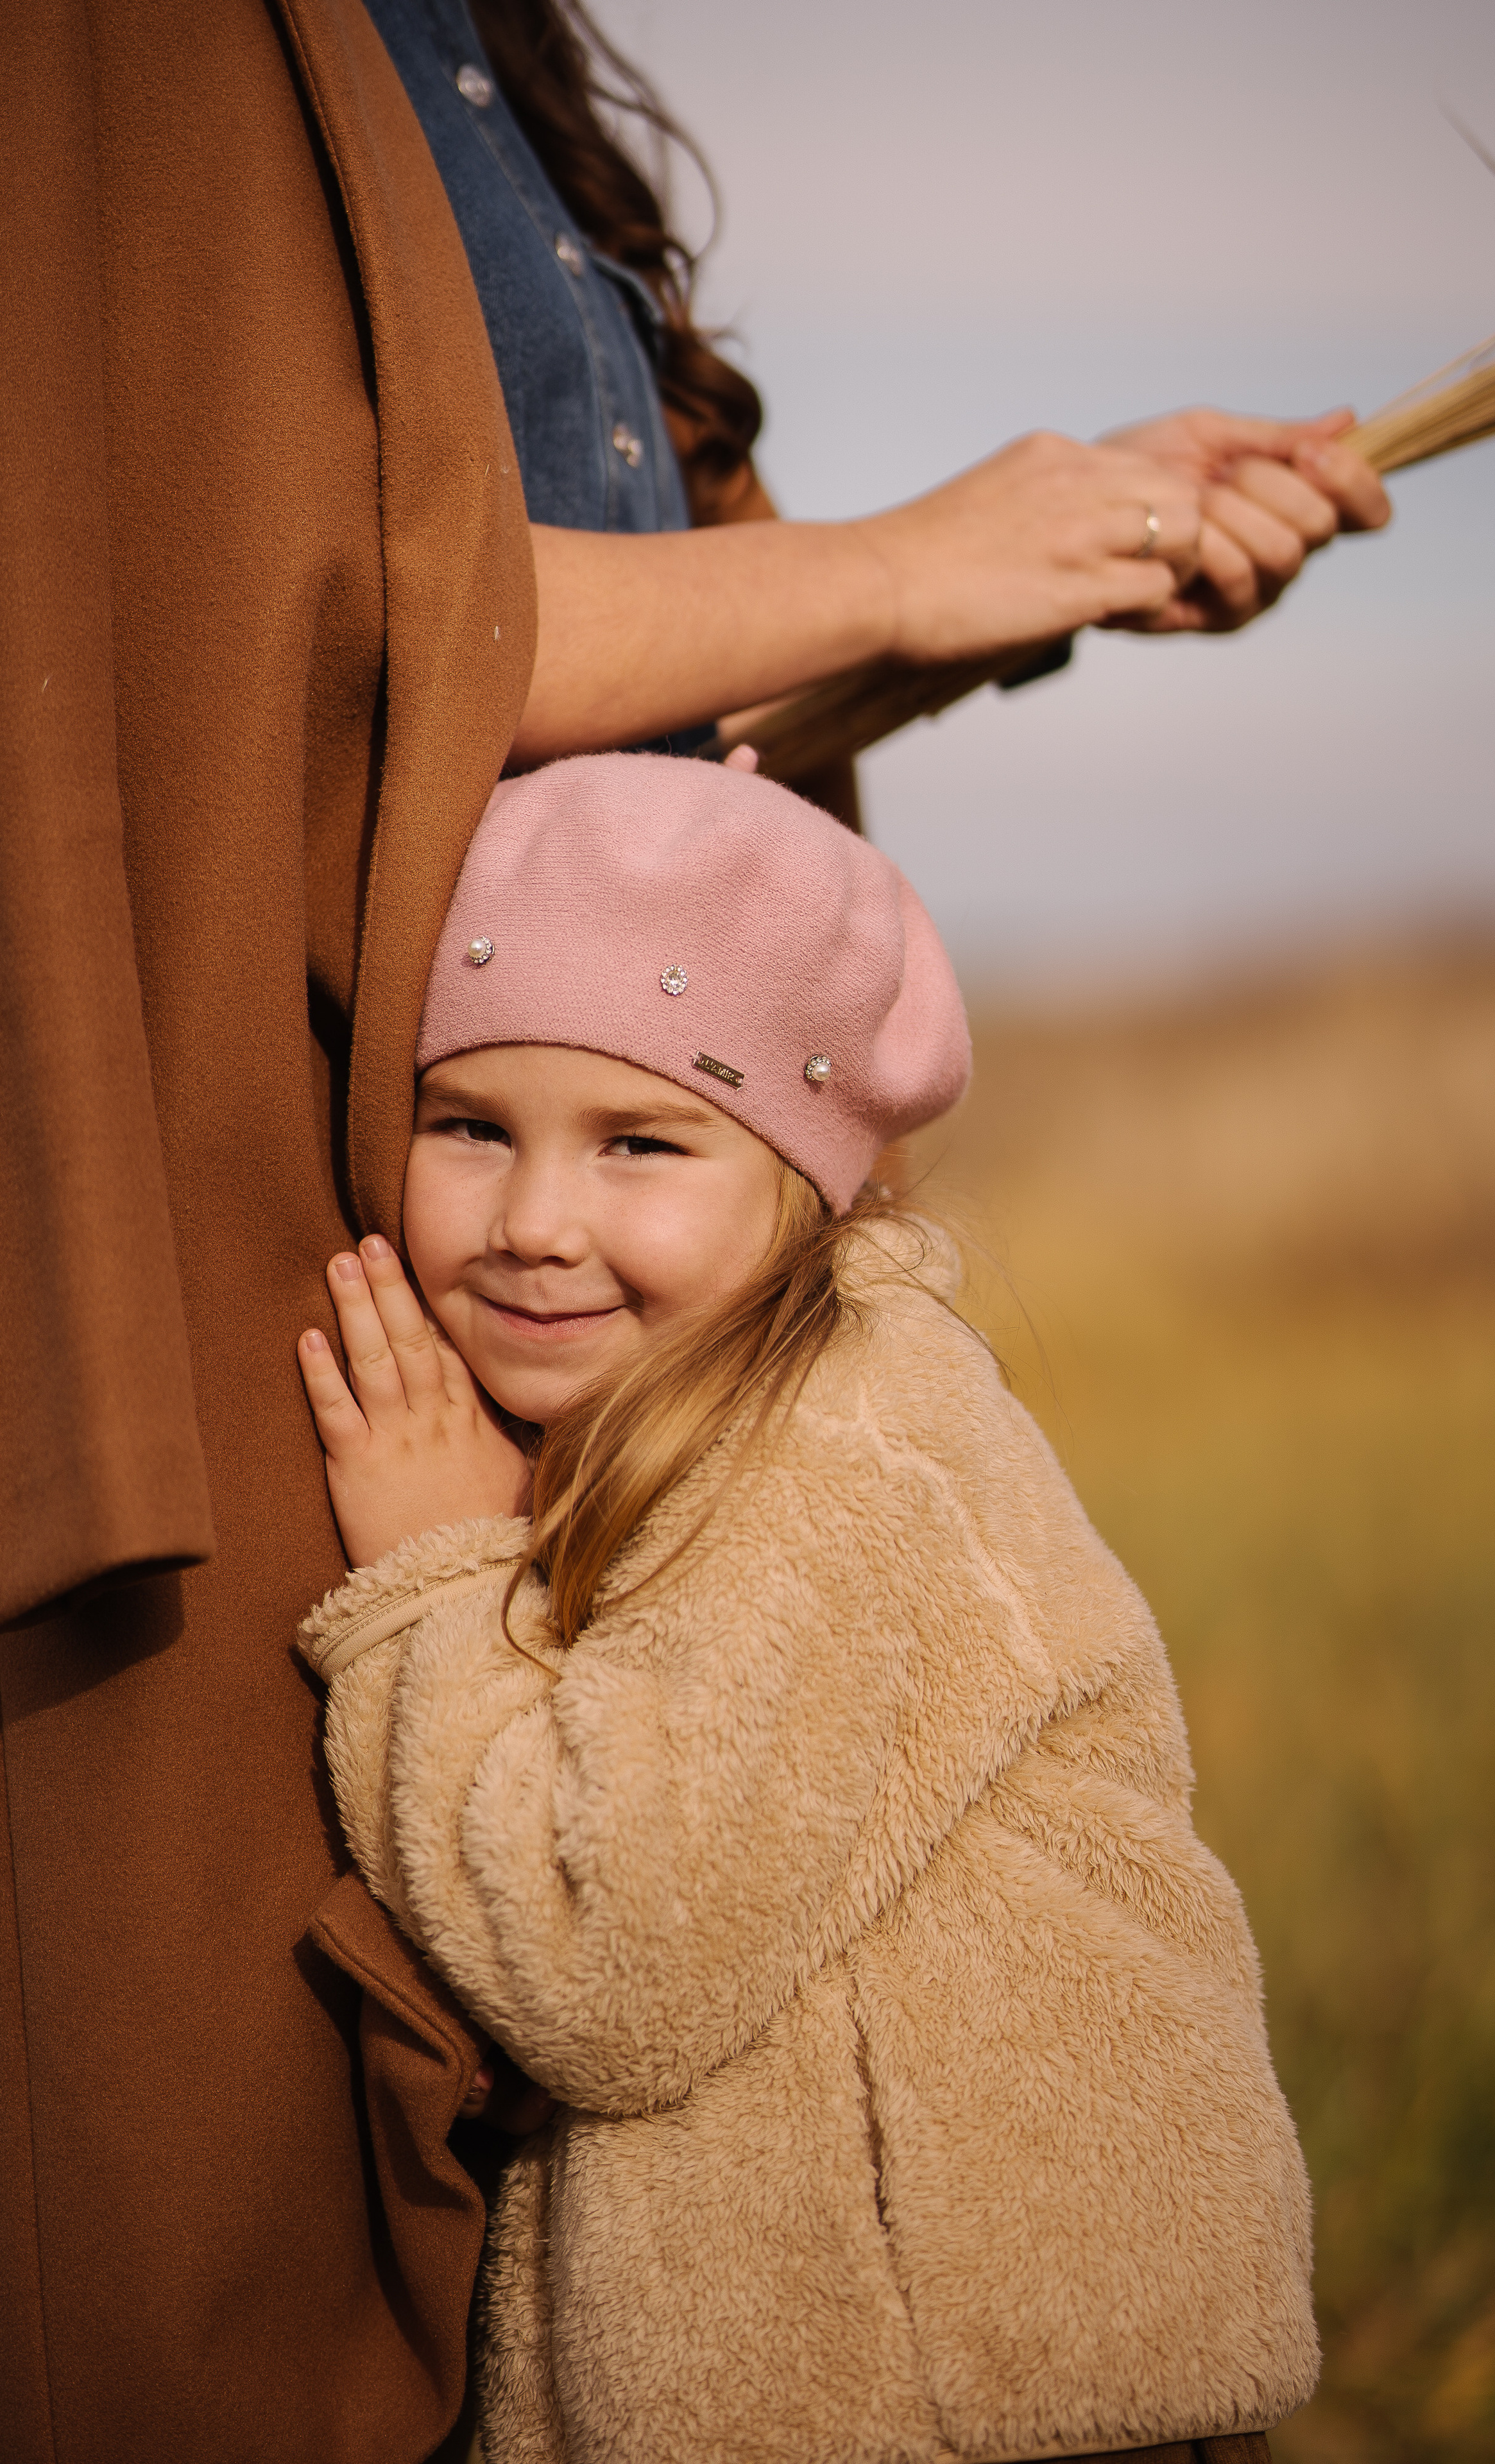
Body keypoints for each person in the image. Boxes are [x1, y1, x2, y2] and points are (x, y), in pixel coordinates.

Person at [291, 749, 1319, 2464]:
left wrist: (430, 1590)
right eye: (470, 1127)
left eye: (641, 1140)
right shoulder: (664, 1414)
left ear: (807, 1175)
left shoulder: (849, 1449)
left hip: (983, 2403)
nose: (539, 1221)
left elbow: (606, 1970)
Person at [0, 3, 534, 2458]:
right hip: (276, 1238)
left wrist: (1026, 560)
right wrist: (947, 544)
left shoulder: (498, 77)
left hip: (599, 1294)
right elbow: (303, 612)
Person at [365, 0, 1392, 795]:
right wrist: (908, 564)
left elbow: (655, 728)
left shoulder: (498, 56)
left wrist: (1080, 541)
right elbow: (354, 620)